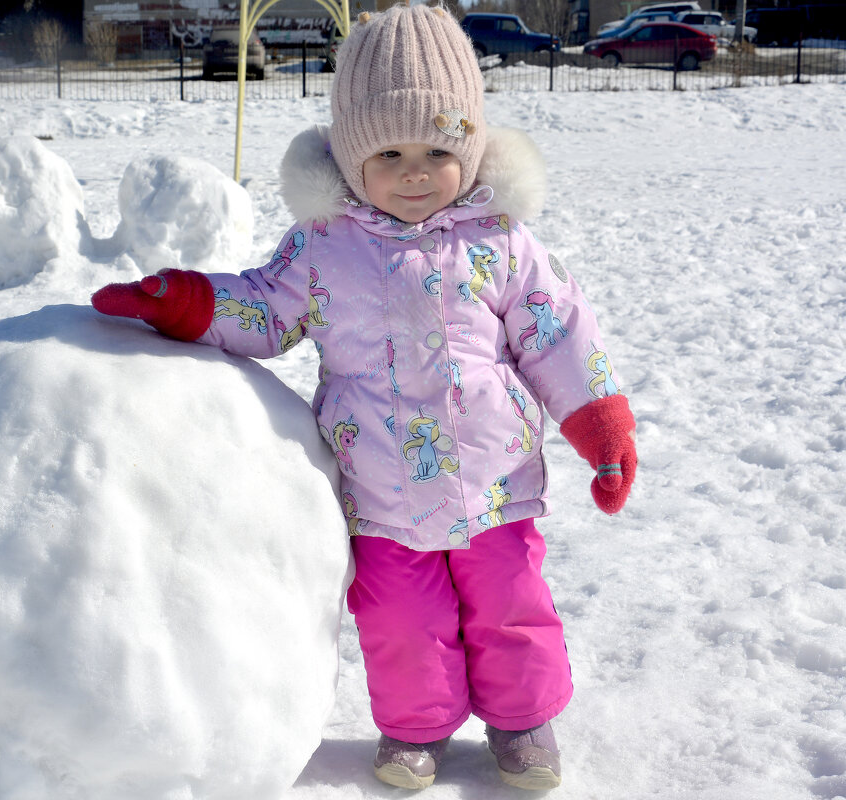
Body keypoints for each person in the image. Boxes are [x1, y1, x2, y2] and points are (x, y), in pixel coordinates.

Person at [91, 4, 636, 792]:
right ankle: (416, 730)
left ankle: (523, 723)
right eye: (388, 152)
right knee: (399, 625)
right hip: (379, 491)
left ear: (471, 147)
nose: (415, 172)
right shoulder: (322, 248)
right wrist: (184, 302)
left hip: (496, 485)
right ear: (350, 160)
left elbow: (557, 335)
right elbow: (265, 307)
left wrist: (602, 426)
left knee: (511, 608)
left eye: (437, 150)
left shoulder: (501, 240)